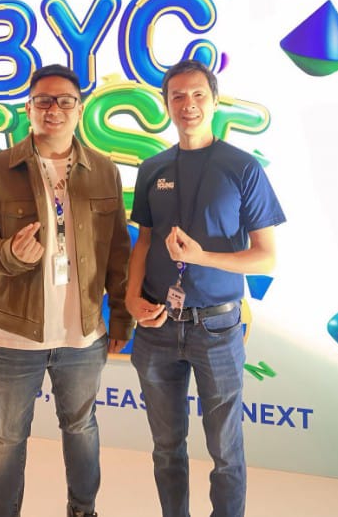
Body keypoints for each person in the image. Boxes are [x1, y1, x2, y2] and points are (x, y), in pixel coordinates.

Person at [0, 64, 133, 517]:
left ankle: (83, 510)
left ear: (80, 109)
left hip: (83, 334)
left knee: (81, 428)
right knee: (8, 436)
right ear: (29, 108)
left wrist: (121, 317)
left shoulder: (104, 171)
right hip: (14, 334)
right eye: (43, 100)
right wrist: (9, 254)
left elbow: (117, 251)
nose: (54, 109)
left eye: (64, 100)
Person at [125, 59, 286, 517]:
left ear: (214, 102)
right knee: (166, 447)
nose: (188, 104)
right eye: (177, 95)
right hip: (157, 326)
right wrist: (132, 297)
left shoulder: (242, 167)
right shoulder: (153, 167)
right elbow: (145, 241)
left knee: (226, 451)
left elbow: (266, 257)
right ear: (166, 105)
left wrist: (201, 257)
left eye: (198, 94)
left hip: (216, 328)